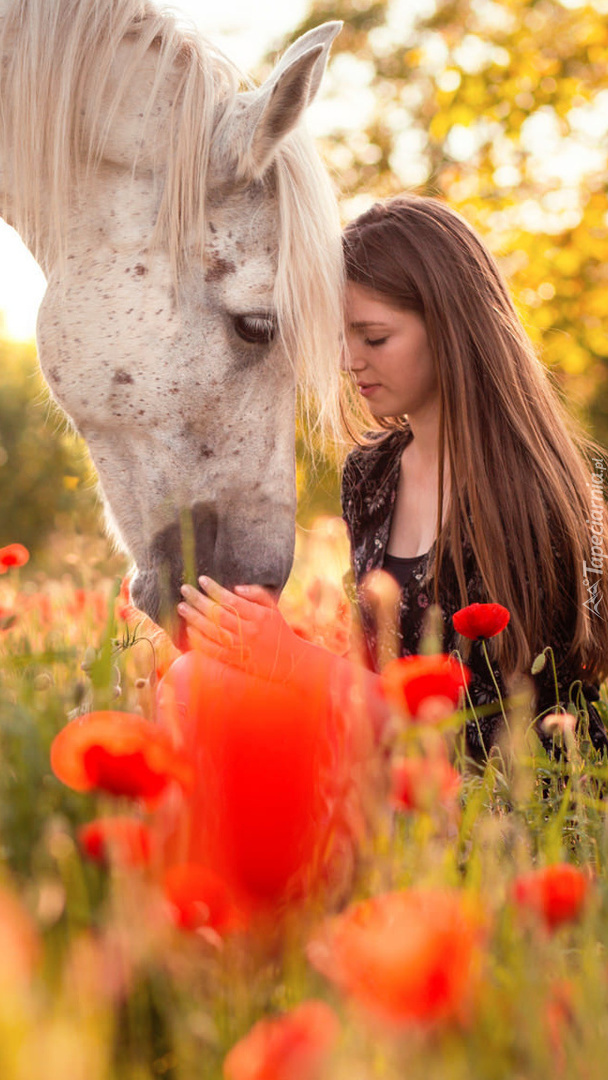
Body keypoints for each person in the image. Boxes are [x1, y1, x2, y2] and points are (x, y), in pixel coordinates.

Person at [178, 194, 608, 761]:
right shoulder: (370, 474)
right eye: (342, 337)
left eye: (374, 338)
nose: (349, 361)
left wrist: (293, 662)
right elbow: (373, 672)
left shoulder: (529, 497)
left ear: (451, 326)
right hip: (388, 758)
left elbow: (489, 737)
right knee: (193, 679)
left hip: (500, 796)